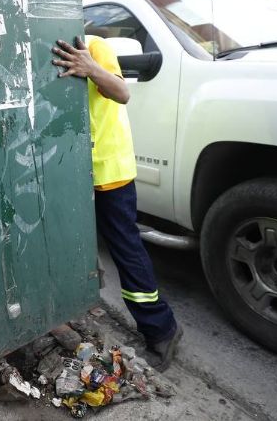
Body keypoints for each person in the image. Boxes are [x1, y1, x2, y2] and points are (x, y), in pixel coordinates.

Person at [51, 35, 183, 371]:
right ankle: (81, 311)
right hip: (66, 172)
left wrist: (90, 67)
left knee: (124, 247)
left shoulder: (92, 43)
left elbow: (121, 93)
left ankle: (161, 329)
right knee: (69, 247)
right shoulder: (39, 44)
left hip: (107, 170)